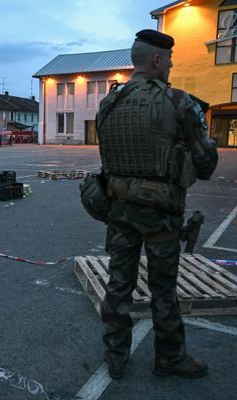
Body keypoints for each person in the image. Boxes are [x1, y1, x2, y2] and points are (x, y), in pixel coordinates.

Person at [96, 30, 218, 379]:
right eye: (170, 60)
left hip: (119, 208)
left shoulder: (109, 103)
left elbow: (109, 158)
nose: (172, 66)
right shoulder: (179, 102)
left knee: (119, 282)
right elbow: (206, 165)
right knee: (163, 288)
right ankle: (169, 357)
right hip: (160, 213)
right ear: (157, 60)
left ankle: (115, 356)